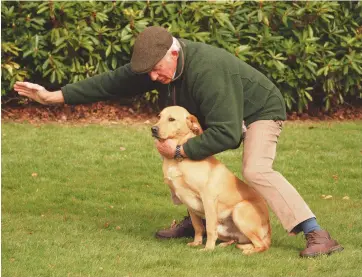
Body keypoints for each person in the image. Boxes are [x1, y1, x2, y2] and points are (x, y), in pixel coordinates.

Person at [14, 26, 343, 258]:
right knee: (184, 164)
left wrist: (182, 149)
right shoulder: (160, 62)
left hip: (257, 111)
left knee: (255, 169)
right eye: (150, 74)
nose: (153, 78)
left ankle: (316, 233)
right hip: (217, 111)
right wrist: (54, 96)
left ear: (174, 52)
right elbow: (111, 83)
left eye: (157, 71)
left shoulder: (208, 71)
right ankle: (196, 220)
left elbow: (228, 133)